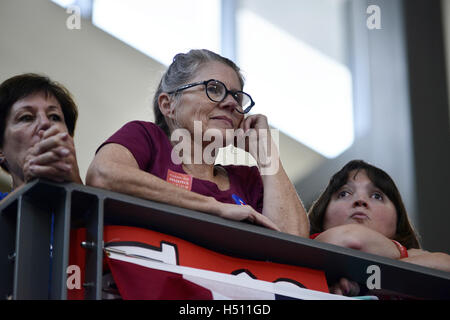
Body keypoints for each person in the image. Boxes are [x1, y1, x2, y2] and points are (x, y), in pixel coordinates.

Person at [86, 49, 308, 236]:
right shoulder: (146, 137)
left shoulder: (247, 178)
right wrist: (213, 207)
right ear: (168, 104)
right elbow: (103, 175)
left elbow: (294, 241)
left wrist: (267, 154)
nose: (231, 103)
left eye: (237, 97)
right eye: (213, 89)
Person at [308, 159, 450, 295]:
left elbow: (445, 263)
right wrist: (403, 254)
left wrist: (365, 285)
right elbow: (351, 239)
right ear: (322, 213)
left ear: (398, 221)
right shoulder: (311, 243)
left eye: (376, 196)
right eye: (344, 193)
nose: (360, 200)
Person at [0, 73, 82, 201]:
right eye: (26, 117)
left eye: (55, 117)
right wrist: (29, 189)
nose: (45, 123)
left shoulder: (103, 208)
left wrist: (77, 187)